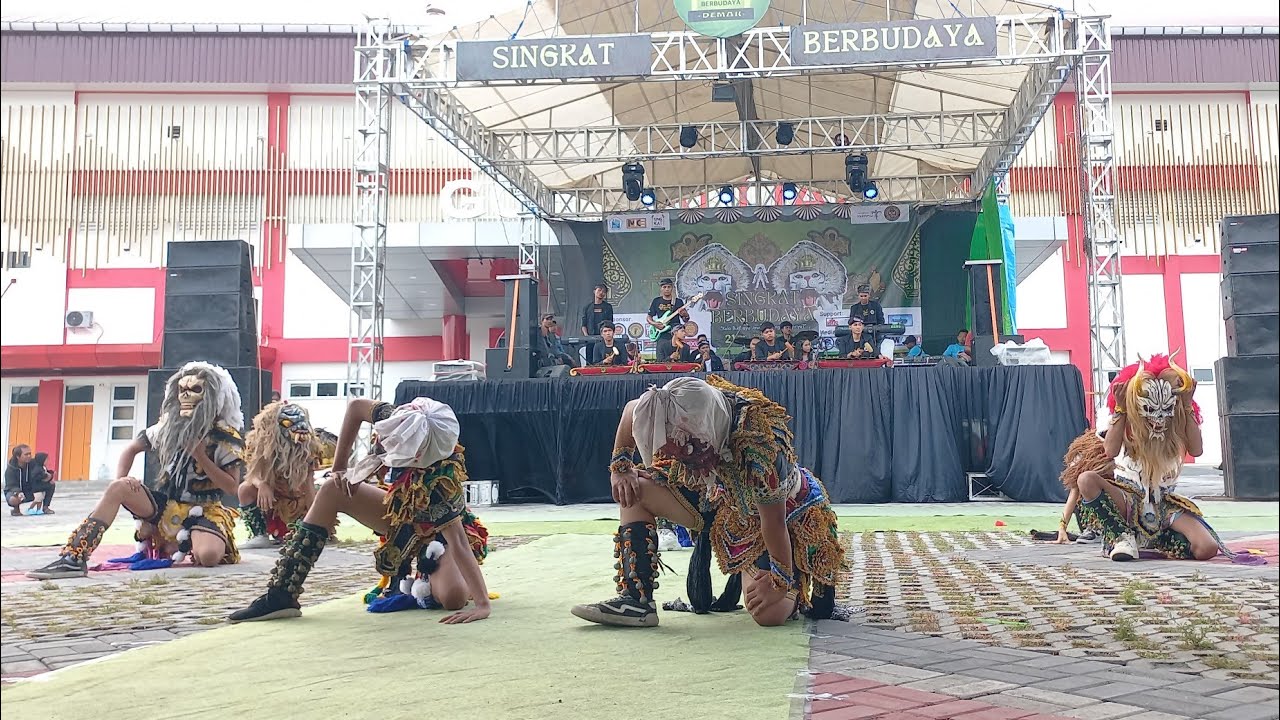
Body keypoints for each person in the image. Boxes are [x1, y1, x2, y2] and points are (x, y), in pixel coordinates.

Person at [570, 375, 844, 627]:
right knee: (634, 489)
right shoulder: (669, 407)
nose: (679, 458)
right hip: (720, 501)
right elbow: (632, 410)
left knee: (768, 614)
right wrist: (620, 467)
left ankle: (796, 579)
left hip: (779, 518)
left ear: (705, 433)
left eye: (689, 450)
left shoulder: (759, 451)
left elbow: (773, 522)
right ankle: (636, 601)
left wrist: (780, 581)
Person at [229, 396, 492, 624]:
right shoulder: (399, 416)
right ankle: (282, 593)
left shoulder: (442, 482)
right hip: (400, 516)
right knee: (333, 488)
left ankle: (430, 572)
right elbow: (355, 408)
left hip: (440, 535)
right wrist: (340, 467)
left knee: (452, 598)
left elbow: (457, 540)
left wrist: (482, 604)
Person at [28, 362, 246, 579]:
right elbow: (131, 449)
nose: (186, 396)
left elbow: (231, 487)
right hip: (167, 504)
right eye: (182, 390)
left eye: (196, 390)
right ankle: (74, 557)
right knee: (118, 488)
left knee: (207, 556)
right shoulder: (167, 428)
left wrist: (200, 455)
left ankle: (204, 538)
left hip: (205, 508)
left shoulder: (225, 436)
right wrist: (123, 481)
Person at [1073, 355, 1246, 563]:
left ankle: (1159, 541)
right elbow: (1110, 450)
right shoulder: (1126, 423)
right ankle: (1121, 537)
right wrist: (1121, 410)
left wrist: (1187, 406)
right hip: (1128, 497)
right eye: (1150, 410)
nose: (1158, 418)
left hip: (1164, 504)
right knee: (1086, 479)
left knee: (1206, 548)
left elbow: (1197, 450)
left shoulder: (1175, 426)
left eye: (1166, 410)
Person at [238, 402, 326, 549]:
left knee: (301, 535)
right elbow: (251, 474)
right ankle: (259, 535)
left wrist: (317, 526)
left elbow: (309, 486)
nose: (300, 428)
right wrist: (262, 485)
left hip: (297, 502)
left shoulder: (308, 448)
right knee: (245, 489)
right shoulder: (258, 443)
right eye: (289, 423)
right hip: (272, 498)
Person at [5, 445, 56, 516]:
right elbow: (11, 485)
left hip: (31, 489)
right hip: (15, 491)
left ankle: (45, 507)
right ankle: (16, 509)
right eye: (26, 454)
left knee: (51, 485)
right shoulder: (11, 469)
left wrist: (49, 477)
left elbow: (42, 471)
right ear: (18, 457)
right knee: (13, 499)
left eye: (30, 454)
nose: (29, 456)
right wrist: (18, 492)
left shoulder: (33, 463)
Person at [647, 278, 688, 361]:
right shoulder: (656, 301)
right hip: (662, 334)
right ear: (661, 288)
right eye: (664, 287)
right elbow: (649, 317)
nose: (666, 289)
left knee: (678, 358)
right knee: (661, 358)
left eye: (669, 287)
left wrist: (685, 315)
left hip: (675, 334)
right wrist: (655, 324)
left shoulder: (678, 302)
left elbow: (685, 320)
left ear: (672, 288)